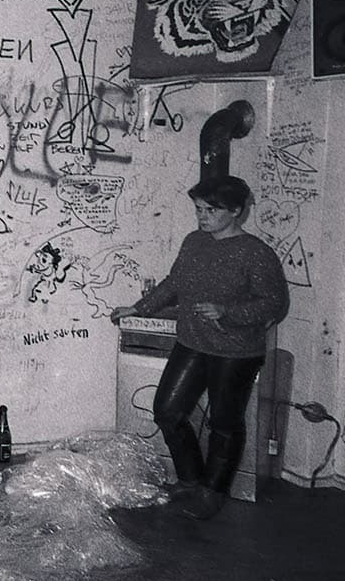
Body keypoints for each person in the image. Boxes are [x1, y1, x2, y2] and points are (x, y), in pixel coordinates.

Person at [111, 175, 288, 520]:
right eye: (198, 209)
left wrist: (228, 312)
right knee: (167, 410)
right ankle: (190, 479)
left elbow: (274, 303)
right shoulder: (194, 241)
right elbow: (174, 283)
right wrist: (138, 308)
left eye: (211, 210)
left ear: (236, 211)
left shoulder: (256, 253)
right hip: (192, 342)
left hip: (235, 351)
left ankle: (212, 491)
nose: (202, 217)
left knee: (224, 422)